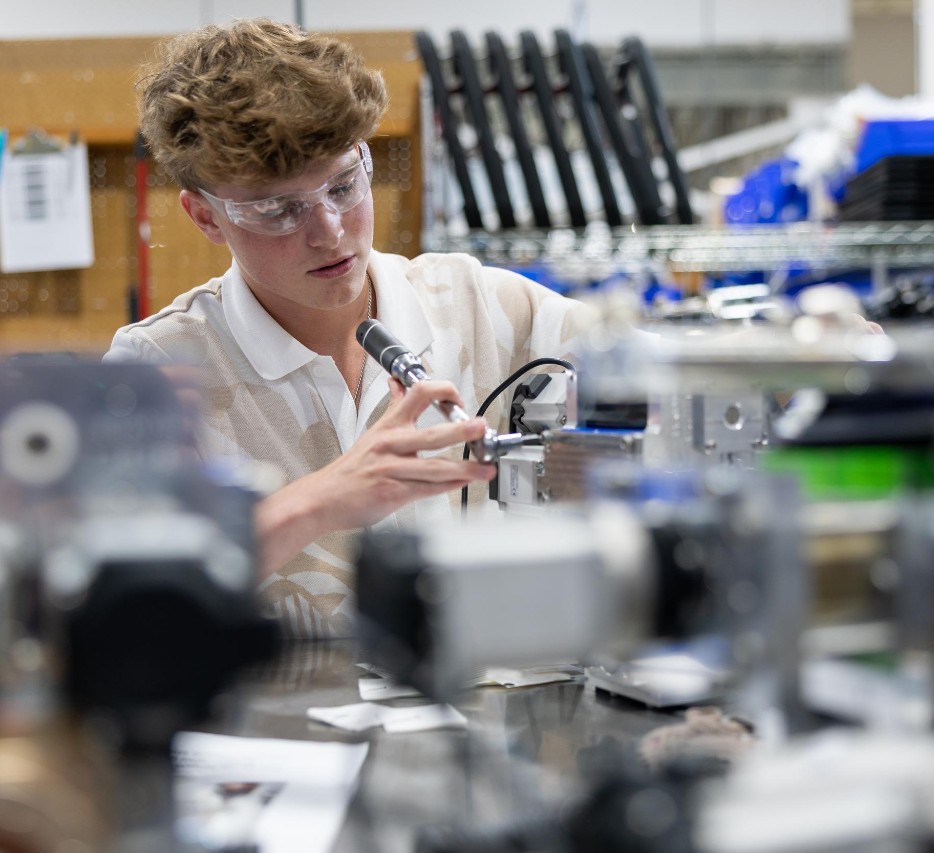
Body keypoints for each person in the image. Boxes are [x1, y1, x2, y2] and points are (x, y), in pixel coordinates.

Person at [103, 19, 593, 638]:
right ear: (206, 217)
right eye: (278, 210)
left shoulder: (482, 305)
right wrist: (319, 501)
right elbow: (120, 608)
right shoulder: (158, 369)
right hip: (269, 728)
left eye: (343, 184)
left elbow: (672, 387)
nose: (329, 230)